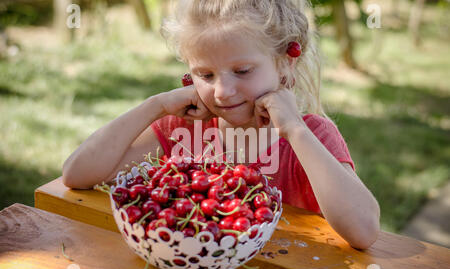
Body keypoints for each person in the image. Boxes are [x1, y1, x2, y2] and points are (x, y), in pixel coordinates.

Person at [62, 0, 380, 249]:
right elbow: (77, 174)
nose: (223, 92)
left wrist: (295, 130)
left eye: (242, 71)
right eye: (206, 75)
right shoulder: (183, 128)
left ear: (286, 60)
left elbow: (363, 231)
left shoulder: (312, 137)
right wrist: (154, 106)